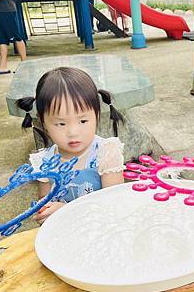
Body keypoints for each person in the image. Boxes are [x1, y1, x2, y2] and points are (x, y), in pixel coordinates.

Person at [16, 67, 125, 223]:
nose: (73, 132)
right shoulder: (44, 161)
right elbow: (44, 201)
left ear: (97, 115)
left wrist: (66, 211)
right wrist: (44, 212)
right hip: (64, 235)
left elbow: (114, 205)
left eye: (83, 121)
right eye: (61, 123)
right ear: (43, 122)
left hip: (101, 230)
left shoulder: (105, 152)